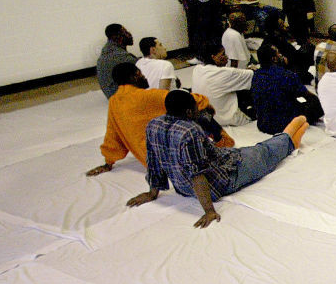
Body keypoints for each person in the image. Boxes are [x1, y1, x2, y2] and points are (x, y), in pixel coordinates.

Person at [127, 90, 307, 229]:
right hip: (223, 179)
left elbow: (154, 161)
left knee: (249, 151)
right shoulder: (189, 132)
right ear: (189, 112)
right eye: (196, 108)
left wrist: (152, 193)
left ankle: (292, 137)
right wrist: (209, 211)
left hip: (183, 188)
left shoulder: (153, 125)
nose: (198, 110)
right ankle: (291, 134)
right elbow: (197, 175)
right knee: (264, 152)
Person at [86, 63, 232, 176]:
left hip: (150, 162)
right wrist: (206, 103)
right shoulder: (148, 96)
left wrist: (108, 162)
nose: (144, 77)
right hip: (172, 159)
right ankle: (223, 142)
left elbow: (113, 135)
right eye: (141, 74)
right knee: (197, 110)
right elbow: (189, 100)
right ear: (135, 76)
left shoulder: (114, 102)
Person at [251, 43, 324, 135]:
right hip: (285, 124)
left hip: (263, 124)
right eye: (278, 53)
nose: (281, 55)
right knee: (316, 105)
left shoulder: (256, 75)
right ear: (274, 59)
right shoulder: (288, 75)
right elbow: (307, 96)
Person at [191, 41, 254, 126]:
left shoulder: (197, 69)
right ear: (213, 57)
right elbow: (253, 75)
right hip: (228, 119)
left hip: (206, 119)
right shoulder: (225, 73)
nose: (227, 57)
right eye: (223, 54)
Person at [96, 24, 137, 98]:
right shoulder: (116, 55)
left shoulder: (108, 49)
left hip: (112, 93)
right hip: (119, 96)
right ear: (116, 37)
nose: (129, 34)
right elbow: (141, 66)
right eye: (125, 32)